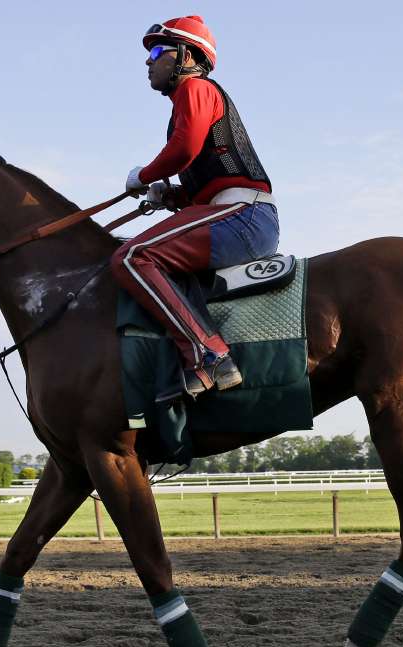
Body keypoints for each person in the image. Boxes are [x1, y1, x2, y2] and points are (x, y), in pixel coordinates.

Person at [111, 15, 279, 402]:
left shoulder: (195, 87)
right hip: (236, 212)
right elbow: (207, 181)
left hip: (244, 215)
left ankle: (209, 354)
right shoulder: (188, 104)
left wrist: (143, 175)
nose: (148, 61)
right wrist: (170, 197)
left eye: (156, 51)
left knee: (132, 257)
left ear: (186, 56)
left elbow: (184, 149)